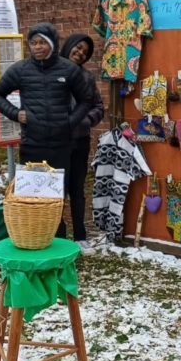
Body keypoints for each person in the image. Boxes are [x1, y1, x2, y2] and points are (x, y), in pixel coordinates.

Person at [0, 22, 95, 173]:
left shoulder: (69, 69)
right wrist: (15, 113)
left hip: (61, 145)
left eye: (42, 42)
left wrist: (69, 122)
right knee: (32, 193)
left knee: (58, 193)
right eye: (33, 43)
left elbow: (86, 99)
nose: (37, 47)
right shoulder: (20, 69)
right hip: (31, 144)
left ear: (52, 44)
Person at [59, 33, 105, 247]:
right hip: (55, 143)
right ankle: (58, 236)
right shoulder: (50, 72)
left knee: (77, 189)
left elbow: (98, 107)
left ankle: (80, 235)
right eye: (77, 48)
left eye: (84, 53)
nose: (79, 53)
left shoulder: (86, 78)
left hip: (79, 141)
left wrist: (84, 120)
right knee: (56, 190)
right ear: (68, 46)